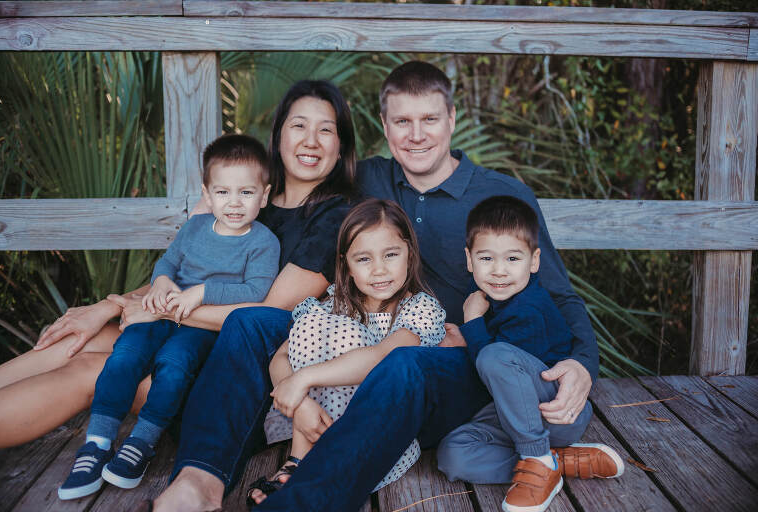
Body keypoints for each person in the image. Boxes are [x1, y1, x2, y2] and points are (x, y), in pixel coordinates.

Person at [251, 61, 601, 512]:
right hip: (406, 389)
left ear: (452, 120)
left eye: (430, 119)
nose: (416, 135)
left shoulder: (504, 197)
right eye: (402, 121)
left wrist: (583, 365)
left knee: (403, 364)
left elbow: (561, 295)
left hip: (480, 369)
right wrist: (209, 217)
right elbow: (293, 178)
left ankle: (300, 504)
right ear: (385, 125)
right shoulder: (366, 180)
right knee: (267, 330)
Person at [0, 79, 357, 454]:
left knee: (93, 370)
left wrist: (156, 311)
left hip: (240, 383)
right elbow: (179, 272)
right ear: (278, 134)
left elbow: (267, 315)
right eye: (299, 125)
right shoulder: (241, 194)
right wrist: (107, 308)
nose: (311, 140)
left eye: (325, 130)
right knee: (80, 339)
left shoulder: (334, 220)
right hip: (182, 339)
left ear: (340, 145)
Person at [57, 134, 280, 500]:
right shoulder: (195, 228)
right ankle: (97, 443)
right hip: (161, 313)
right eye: (223, 193)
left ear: (265, 195)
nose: (234, 203)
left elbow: (255, 290)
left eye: (246, 193)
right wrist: (161, 280)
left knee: (174, 365)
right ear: (207, 196)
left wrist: (202, 292)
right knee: (125, 354)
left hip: (200, 326)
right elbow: (169, 262)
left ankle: (142, 443)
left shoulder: (263, 242)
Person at [247, 199, 445, 505]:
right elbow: (281, 359)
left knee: (345, 333)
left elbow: (382, 358)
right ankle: (299, 459)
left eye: (391, 254)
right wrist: (299, 405)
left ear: (410, 253)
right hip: (313, 423)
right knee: (316, 319)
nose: (379, 270)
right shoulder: (334, 304)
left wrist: (305, 379)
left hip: (375, 439)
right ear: (347, 266)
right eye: (364, 259)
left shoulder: (420, 309)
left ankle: (320, 469)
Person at [435, 195, 623, 512]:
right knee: (452, 455)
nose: (498, 271)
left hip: (555, 412)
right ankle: (553, 461)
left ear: (534, 261)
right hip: (514, 415)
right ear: (469, 260)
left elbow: (494, 363)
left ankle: (536, 456)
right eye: (485, 259)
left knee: (494, 357)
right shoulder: (496, 300)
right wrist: (472, 337)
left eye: (512, 259)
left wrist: (473, 324)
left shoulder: (530, 308)